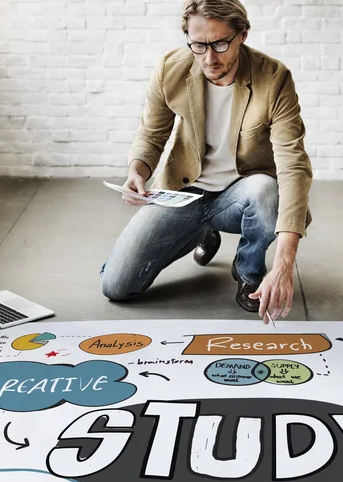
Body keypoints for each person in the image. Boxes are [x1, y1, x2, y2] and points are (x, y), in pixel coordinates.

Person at [101, 0, 312, 323]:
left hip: (242, 195)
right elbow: (151, 135)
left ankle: (249, 272)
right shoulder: (171, 69)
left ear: (242, 35)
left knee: (266, 190)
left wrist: (284, 265)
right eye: (198, 45)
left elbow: (293, 165)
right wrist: (137, 172)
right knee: (116, 285)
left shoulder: (274, 78)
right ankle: (201, 232)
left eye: (220, 44)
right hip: (183, 192)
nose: (209, 58)